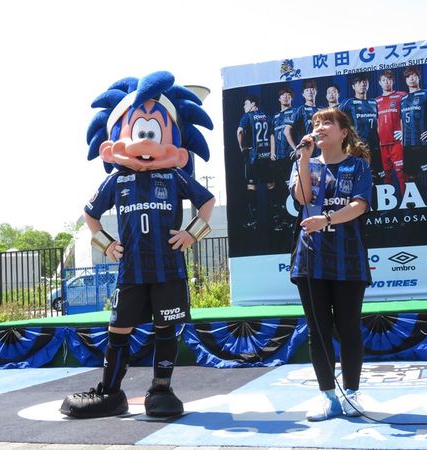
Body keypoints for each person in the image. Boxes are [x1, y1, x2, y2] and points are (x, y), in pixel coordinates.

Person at [60, 71, 216, 419]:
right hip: (131, 271)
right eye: (138, 131)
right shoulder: (117, 181)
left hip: (168, 269)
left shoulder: (174, 176)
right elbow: (90, 215)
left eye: (154, 132)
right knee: (119, 329)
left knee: (165, 329)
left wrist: (191, 233)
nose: (145, 141)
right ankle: (110, 392)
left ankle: (161, 390)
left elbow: (207, 201)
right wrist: (106, 244)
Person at [289, 107, 372, 421]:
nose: (320, 127)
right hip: (311, 260)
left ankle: (352, 392)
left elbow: (359, 206)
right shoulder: (305, 163)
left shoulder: (358, 165)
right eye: (316, 123)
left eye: (327, 123)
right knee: (318, 330)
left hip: (348, 259)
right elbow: (302, 197)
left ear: (343, 132)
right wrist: (304, 157)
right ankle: (327, 396)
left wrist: (326, 220)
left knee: (349, 327)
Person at [237, 95, 274, 229]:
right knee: (271, 185)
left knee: (251, 186)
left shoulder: (247, 116)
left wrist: (242, 148)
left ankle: (253, 220)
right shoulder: (267, 116)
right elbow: (271, 134)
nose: (244, 107)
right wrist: (272, 152)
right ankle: (275, 218)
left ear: (253, 104)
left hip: (253, 157)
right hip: (267, 157)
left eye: (246, 104)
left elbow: (240, 132)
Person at [339, 73, 384, 183]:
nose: (362, 84)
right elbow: (337, 119)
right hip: (358, 147)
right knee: (359, 178)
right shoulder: (348, 103)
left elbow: (377, 124)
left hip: (374, 147)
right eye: (359, 82)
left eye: (365, 82)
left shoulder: (373, 102)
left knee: (378, 178)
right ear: (353, 86)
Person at [375, 70, 407, 194]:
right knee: (385, 174)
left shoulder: (401, 96)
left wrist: (404, 132)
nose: (386, 82)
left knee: (401, 172)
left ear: (393, 81)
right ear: (379, 83)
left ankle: (407, 201)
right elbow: (376, 122)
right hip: (382, 144)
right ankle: (387, 202)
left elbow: (407, 115)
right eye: (383, 80)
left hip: (397, 142)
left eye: (389, 79)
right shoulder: (375, 101)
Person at [271, 86, 296, 230]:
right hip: (278, 157)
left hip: (290, 155)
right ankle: (281, 219)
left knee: (291, 187)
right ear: (279, 98)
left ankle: (293, 218)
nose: (285, 97)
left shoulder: (295, 112)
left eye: (288, 95)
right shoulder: (275, 116)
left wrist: (296, 149)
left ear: (291, 98)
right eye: (283, 95)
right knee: (279, 188)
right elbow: (272, 134)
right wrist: (272, 151)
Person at [284, 79, 319, 153]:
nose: (310, 92)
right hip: (307, 152)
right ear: (303, 94)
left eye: (312, 89)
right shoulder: (300, 110)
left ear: (316, 92)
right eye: (307, 90)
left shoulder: (321, 110)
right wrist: (296, 149)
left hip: (321, 151)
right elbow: (286, 131)